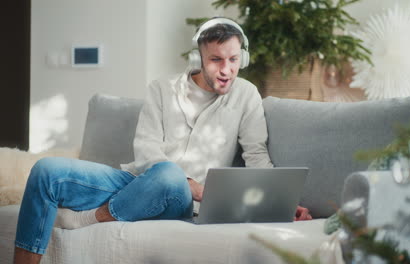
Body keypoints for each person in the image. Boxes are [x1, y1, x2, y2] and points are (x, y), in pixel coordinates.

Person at [13, 17, 312, 263]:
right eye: (216, 60)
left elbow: (256, 155)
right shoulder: (162, 88)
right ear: (198, 58)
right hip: (136, 182)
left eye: (234, 60)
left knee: (170, 176)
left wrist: (283, 203)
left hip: (177, 200)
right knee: (46, 171)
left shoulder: (245, 94)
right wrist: (193, 183)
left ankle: (91, 218)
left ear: (243, 58)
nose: (226, 70)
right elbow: (146, 151)